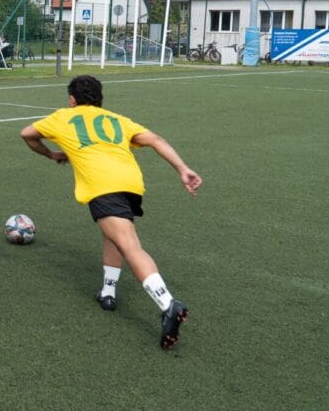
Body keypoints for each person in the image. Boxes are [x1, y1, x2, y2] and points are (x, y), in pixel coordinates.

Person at [19, 75, 202, 350]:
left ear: (71, 100)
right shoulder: (117, 119)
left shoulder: (62, 117)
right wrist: (182, 168)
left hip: (103, 186)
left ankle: (168, 304)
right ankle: (108, 291)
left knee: (130, 246)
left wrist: (51, 154)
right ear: (100, 98)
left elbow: (27, 134)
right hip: (131, 184)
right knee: (113, 236)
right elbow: (155, 139)